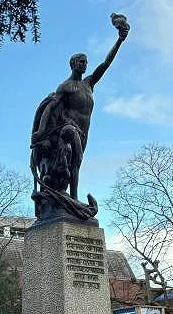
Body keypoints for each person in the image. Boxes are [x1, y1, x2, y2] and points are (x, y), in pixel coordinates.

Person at [30, 13, 129, 215]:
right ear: (73, 64)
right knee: (72, 142)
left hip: (84, 133)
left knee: (76, 164)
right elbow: (50, 106)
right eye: (81, 62)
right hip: (67, 128)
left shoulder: (89, 84)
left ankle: (73, 197)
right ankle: (65, 197)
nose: (84, 65)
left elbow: (106, 64)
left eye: (86, 62)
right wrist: (41, 131)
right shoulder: (66, 86)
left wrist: (119, 40)